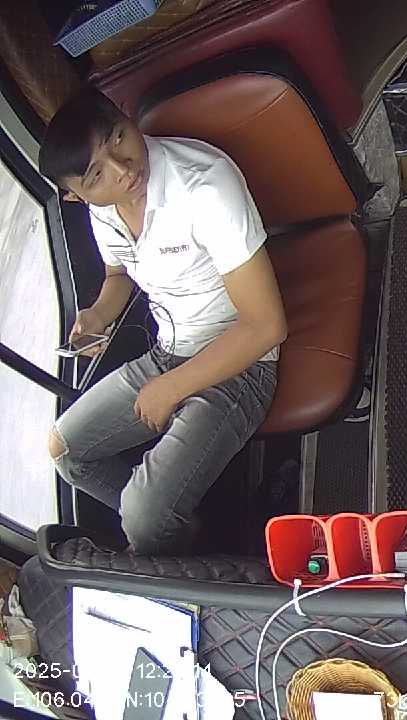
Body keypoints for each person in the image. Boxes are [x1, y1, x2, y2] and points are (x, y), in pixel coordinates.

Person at [39, 89, 286, 554]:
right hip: (166, 354)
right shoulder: (103, 210)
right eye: (97, 175)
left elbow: (266, 327)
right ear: (76, 197)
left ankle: (162, 528)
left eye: (118, 138)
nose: (123, 169)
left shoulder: (204, 186)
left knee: (143, 519)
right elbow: (118, 274)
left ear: (126, 116)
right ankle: (179, 532)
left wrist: (171, 388)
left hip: (241, 362)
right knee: (65, 451)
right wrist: (99, 314)